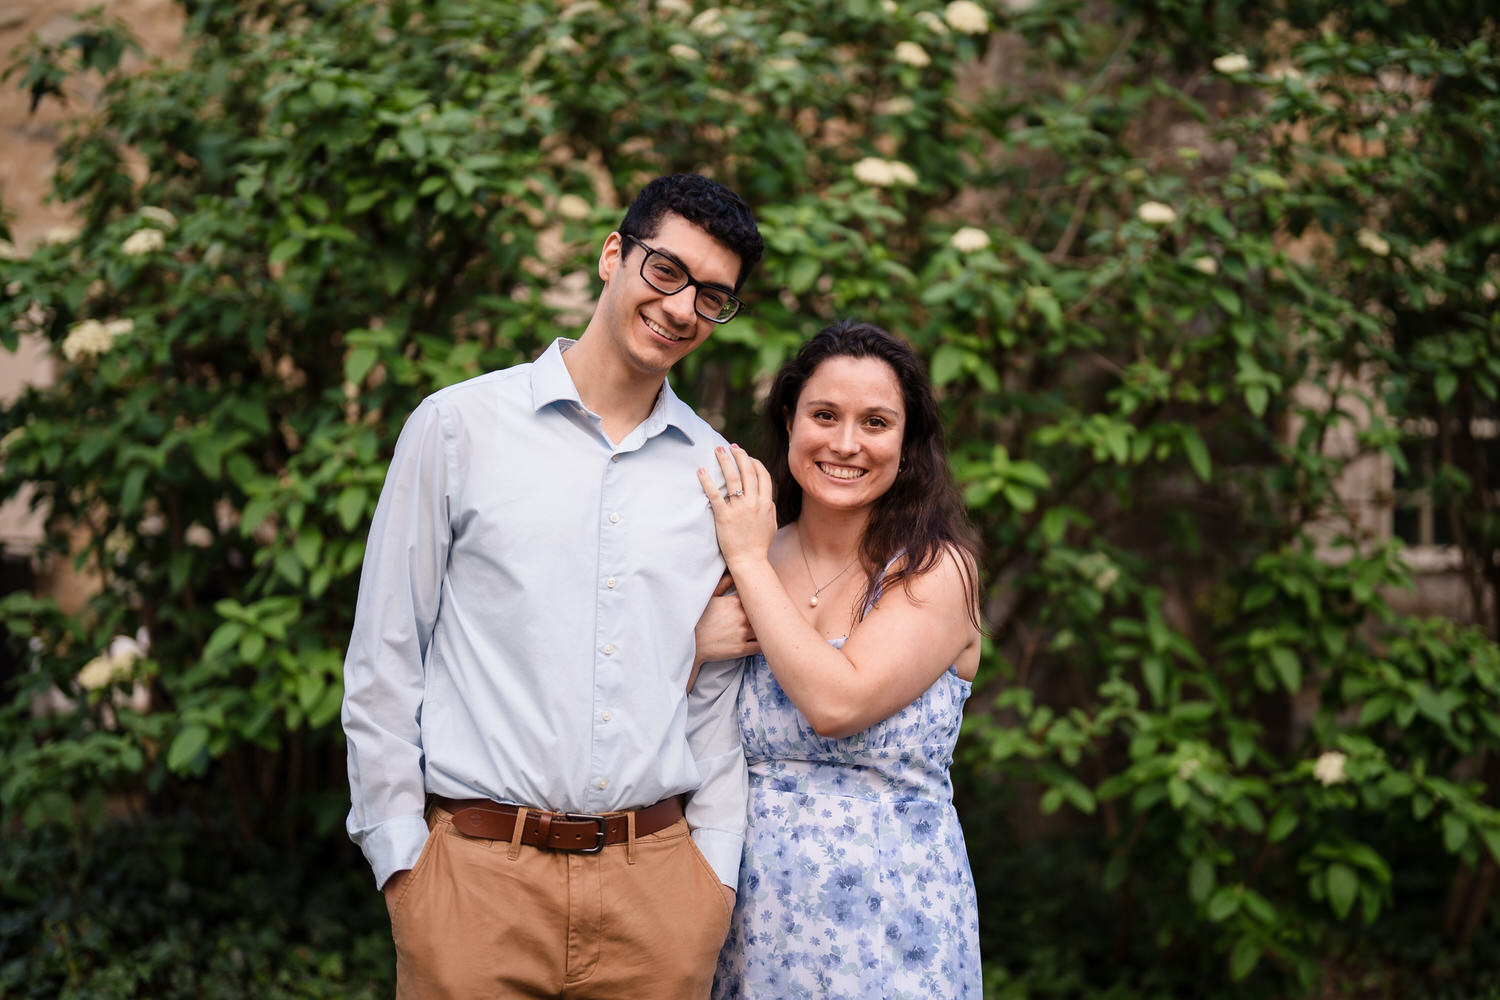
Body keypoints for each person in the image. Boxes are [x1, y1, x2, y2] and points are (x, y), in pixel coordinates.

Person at [341, 173, 765, 999]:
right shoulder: (457, 426)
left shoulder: (719, 475)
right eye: (666, 272)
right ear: (614, 254)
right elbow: (385, 657)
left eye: (713, 297)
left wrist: (711, 873)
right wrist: (402, 862)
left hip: (658, 898)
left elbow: (714, 697)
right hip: (475, 887)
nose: (682, 309)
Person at [695, 320, 984, 999]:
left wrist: (744, 558)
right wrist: (691, 648)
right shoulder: (745, 558)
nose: (846, 443)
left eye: (876, 422)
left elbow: (837, 704)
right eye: (824, 415)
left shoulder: (937, 570)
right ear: (790, 422)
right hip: (747, 913)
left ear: (908, 444)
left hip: (893, 923)